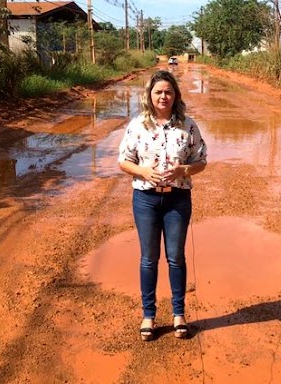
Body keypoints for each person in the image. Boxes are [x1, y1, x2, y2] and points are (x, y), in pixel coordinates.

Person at [118, 70, 208, 341]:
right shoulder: (137, 125)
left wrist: (184, 170)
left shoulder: (188, 126)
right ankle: (149, 316)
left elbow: (202, 161)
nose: (163, 96)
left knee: (176, 257)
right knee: (148, 258)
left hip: (177, 200)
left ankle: (179, 314)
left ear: (175, 95)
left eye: (168, 91)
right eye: (158, 91)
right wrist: (144, 172)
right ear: (149, 95)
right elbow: (124, 161)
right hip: (145, 199)